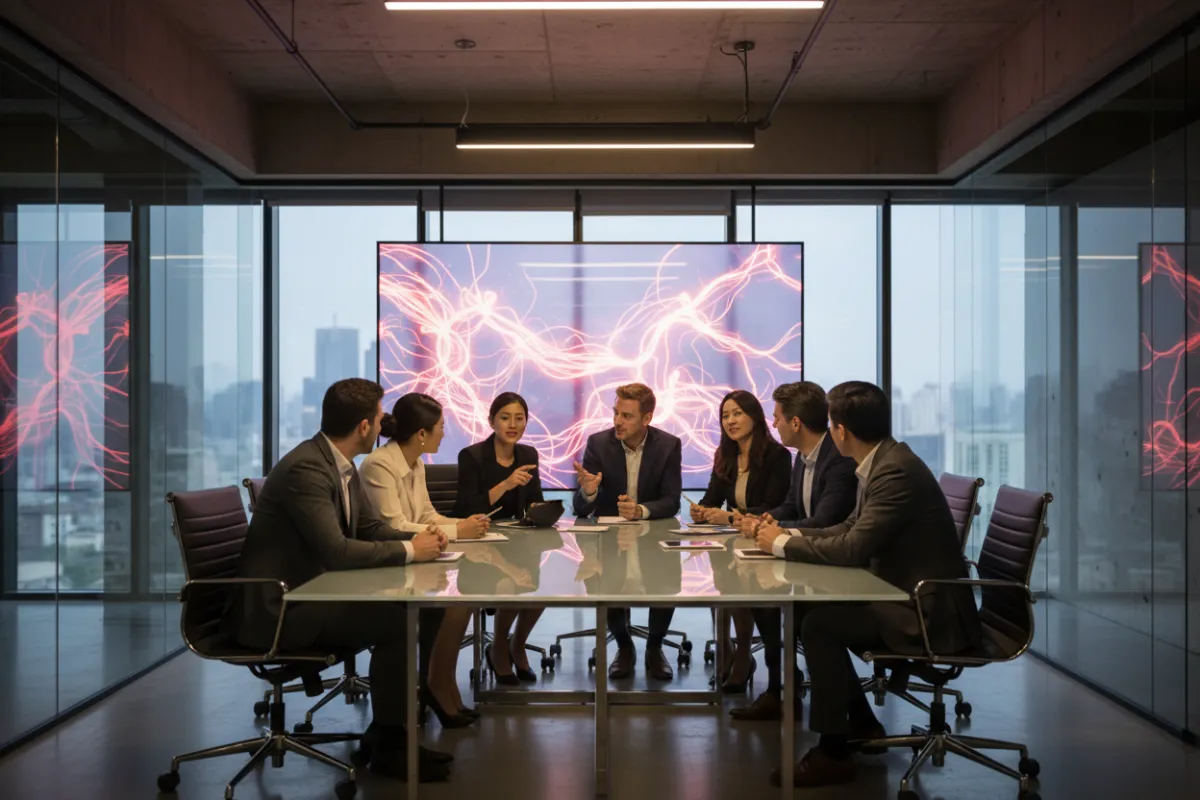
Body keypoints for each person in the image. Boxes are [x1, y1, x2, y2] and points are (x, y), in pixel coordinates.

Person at [754, 381, 982, 788]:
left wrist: (785, 545)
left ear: (840, 431)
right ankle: (861, 722)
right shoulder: (883, 460)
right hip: (902, 591)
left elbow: (856, 547)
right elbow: (850, 527)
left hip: (927, 612)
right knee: (812, 612)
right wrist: (791, 539)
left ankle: (834, 751)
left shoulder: (893, 469)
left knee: (819, 625)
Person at [231, 378, 452, 783]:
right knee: (397, 621)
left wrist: (418, 540)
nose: (387, 422)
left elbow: (368, 527)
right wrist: (409, 552)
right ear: (364, 426)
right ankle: (390, 744)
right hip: (279, 609)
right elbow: (336, 550)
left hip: (311, 592)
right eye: (381, 417)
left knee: (418, 609)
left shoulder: (338, 464)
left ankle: (390, 734)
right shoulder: (307, 468)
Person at [360, 392, 490, 730]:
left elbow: (427, 515)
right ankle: (435, 685)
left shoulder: (415, 462)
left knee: (464, 601)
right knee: (454, 604)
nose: (444, 433)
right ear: (421, 434)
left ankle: (440, 683)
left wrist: (462, 527)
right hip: (386, 563)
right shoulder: (379, 464)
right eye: (440, 428)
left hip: (414, 559)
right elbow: (394, 526)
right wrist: (458, 530)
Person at [728, 381, 857, 721]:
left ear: (796, 423)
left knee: (774, 602)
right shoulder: (805, 455)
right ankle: (780, 688)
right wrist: (766, 519)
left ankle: (784, 690)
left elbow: (825, 519)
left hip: (840, 566)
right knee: (762, 593)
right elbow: (791, 505)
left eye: (777, 418)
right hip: (815, 556)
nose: (774, 424)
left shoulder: (839, 460)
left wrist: (778, 532)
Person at [573, 382, 683, 681]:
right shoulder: (598, 444)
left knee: (666, 577)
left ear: (647, 418)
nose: (618, 422)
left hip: (652, 536)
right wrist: (589, 493)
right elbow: (581, 509)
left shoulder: (669, 445)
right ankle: (624, 646)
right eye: (616, 413)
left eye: (627, 416)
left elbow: (672, 501)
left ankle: (654, 647)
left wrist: (641, 510)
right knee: (606, 579)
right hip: (610, 540)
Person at [689, 390, 791, 694]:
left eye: (737, 414)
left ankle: (742, 655)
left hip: (763, 540)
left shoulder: (777, 456)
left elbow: (777, 507)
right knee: (719, 582)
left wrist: (730, 518)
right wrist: (701, 511)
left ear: (755, 417)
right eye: (725, 415)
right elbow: (711, 499)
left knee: (735, 585)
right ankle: (726, 651)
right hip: (733, 544)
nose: (730, 421)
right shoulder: (726, 455)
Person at [455, 391, 546, 684]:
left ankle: (516, 645)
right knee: (511, 582)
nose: (513, 424)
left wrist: (542, 513)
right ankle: (498, 652)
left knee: (539, 588)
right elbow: (466, 508)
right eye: (505, 417)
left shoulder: (528, 455)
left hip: (516, 541)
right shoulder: (472, 456)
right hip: (478, 546)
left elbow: (535, 501)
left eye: (520, 418)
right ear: (491, 420)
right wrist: (506, 484)